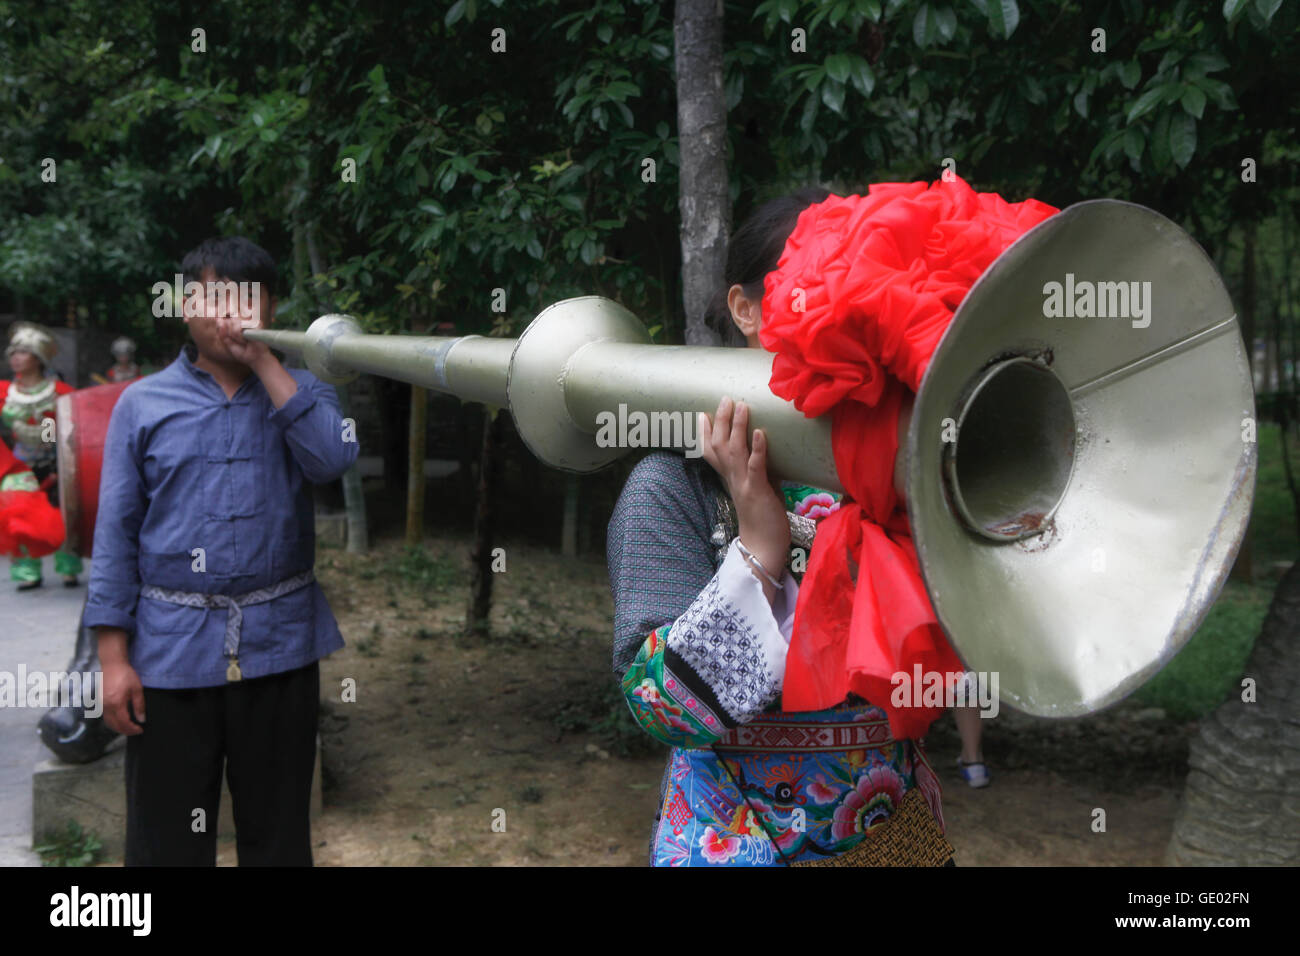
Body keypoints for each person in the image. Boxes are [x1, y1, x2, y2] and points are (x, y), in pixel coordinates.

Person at [607, 189, 950, 867]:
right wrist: (759, 553)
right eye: (813, 285)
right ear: (744, 308)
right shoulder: (672, 484)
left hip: (890, 827)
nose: (842, 310)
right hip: (731, 837)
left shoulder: (913, 470)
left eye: (863, 285)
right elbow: (664, 710)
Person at [84, 236, 358, 866]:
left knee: (279, 833)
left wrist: (267, 363)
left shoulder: (307, 389)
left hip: (280, 648)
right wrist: (112, 659)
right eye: (213, 296)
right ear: (185, 305)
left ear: (272, 307)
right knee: (166, 841)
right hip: (170, 653)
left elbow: (330, 460)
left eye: (248, 298)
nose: (229, 314)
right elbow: (116, 535)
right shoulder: (143, 403)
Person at [1, 322, 81, 588]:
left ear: (37, 357)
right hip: (19, 465)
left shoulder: (57, 392)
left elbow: (67, 431)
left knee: (64, 515)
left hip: (55, 461)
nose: (15, 358)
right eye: (13, 353)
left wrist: (46, 429)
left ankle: (68, 567)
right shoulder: (4, 393)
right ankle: (27, 572)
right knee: (17, 516)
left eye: (22, 352)